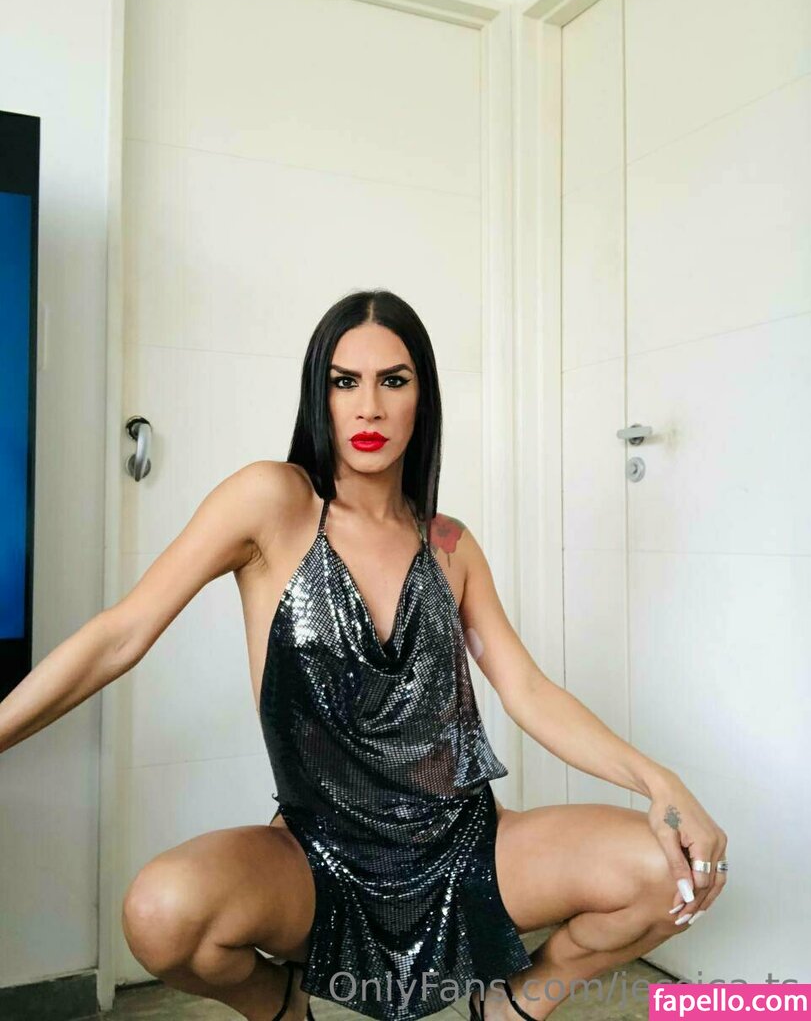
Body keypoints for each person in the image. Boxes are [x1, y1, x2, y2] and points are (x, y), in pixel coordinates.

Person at [0, 290, 728, 1021]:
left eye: (393, 381)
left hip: (464, 847)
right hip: (315, 859)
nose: (369, 408)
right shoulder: (273, 503)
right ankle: (280, 1008)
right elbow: (120, 634)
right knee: (161, 913)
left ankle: (512, 1006)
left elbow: (528, 692)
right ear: (319, 395)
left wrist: (658, 783)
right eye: (345, 381)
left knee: (676, 870)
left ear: (422, 397)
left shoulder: (449, 544)